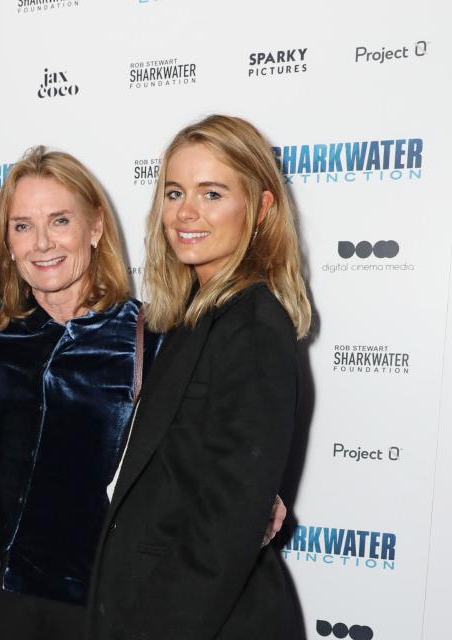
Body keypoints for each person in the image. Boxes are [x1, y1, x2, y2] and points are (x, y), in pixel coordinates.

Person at [0, 147, 286, 640]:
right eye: (22, 226)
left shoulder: (156, 335)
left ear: (95, 227)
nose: (42, 243)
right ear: (6, 242)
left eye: (60, 220)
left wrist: (260, 494)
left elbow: (207, 451)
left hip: (95, 603)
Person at [87, 114, 311, 639]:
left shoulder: (253, 325)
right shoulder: (196, 314)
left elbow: (225, 528)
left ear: (260, 207)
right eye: (174, 192)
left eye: (212, 194)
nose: (185, 213)